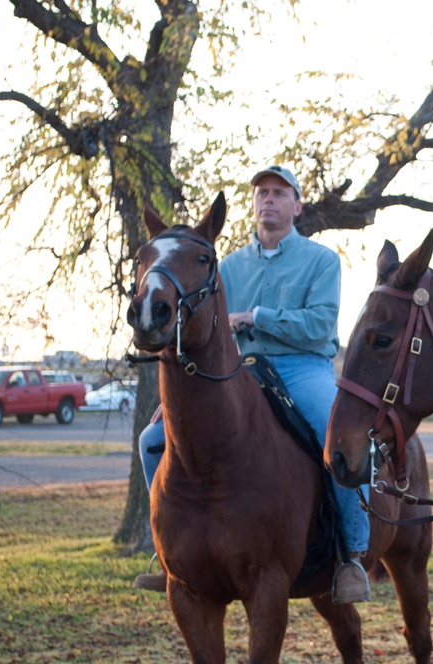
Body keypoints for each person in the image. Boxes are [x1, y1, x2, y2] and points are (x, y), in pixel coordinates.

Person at [133, 165, 371, 604]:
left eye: (280, 193)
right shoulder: (227, 265)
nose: (269, 200)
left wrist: (258, 317)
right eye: (262, 193)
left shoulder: (322, 261)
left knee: (338, 442)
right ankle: (167, 554)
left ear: (297, 206)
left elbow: (320, 325)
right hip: (239, 370)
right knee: (153, 439)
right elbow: (203, 326)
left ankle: (351, 554)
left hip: (303, 368)